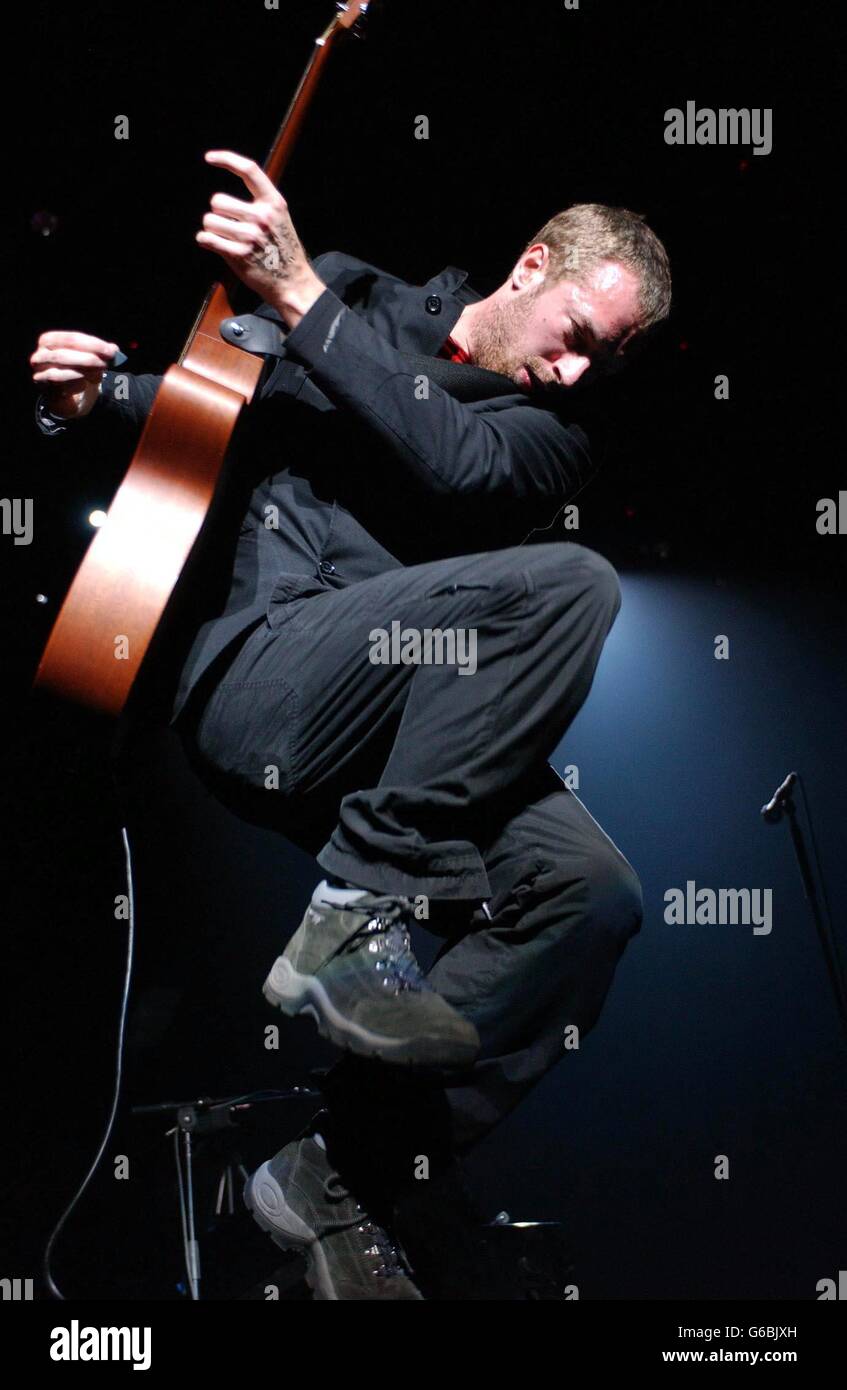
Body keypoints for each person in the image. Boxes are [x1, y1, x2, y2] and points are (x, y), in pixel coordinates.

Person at [32, 150, 671, 1299]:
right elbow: (208, 409)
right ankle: (356, 912)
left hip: (405, 742)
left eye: (602, 360)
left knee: (591, 889)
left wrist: (301, 304)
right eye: (575, 330)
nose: (575, 372)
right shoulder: (356, 297)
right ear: (532, 266)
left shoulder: (547, 437)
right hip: (266, 677)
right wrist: (84, 400)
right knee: (575, 584)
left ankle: (341, 1170)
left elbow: (455, 460)